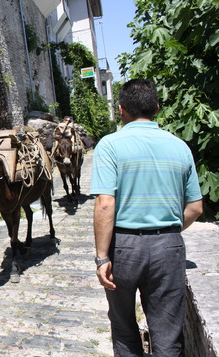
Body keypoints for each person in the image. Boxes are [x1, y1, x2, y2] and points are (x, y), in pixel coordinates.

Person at [91, 79, 203, 356]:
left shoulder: (110, 145)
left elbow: (105, 204)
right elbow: (196, 208)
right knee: (168, 335)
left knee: (124, 329)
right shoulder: (180, 147)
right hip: (168, 245)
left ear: (120, 110)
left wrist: (102, 257)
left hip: (124, 248)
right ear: (157, 108)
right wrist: (170, 231)